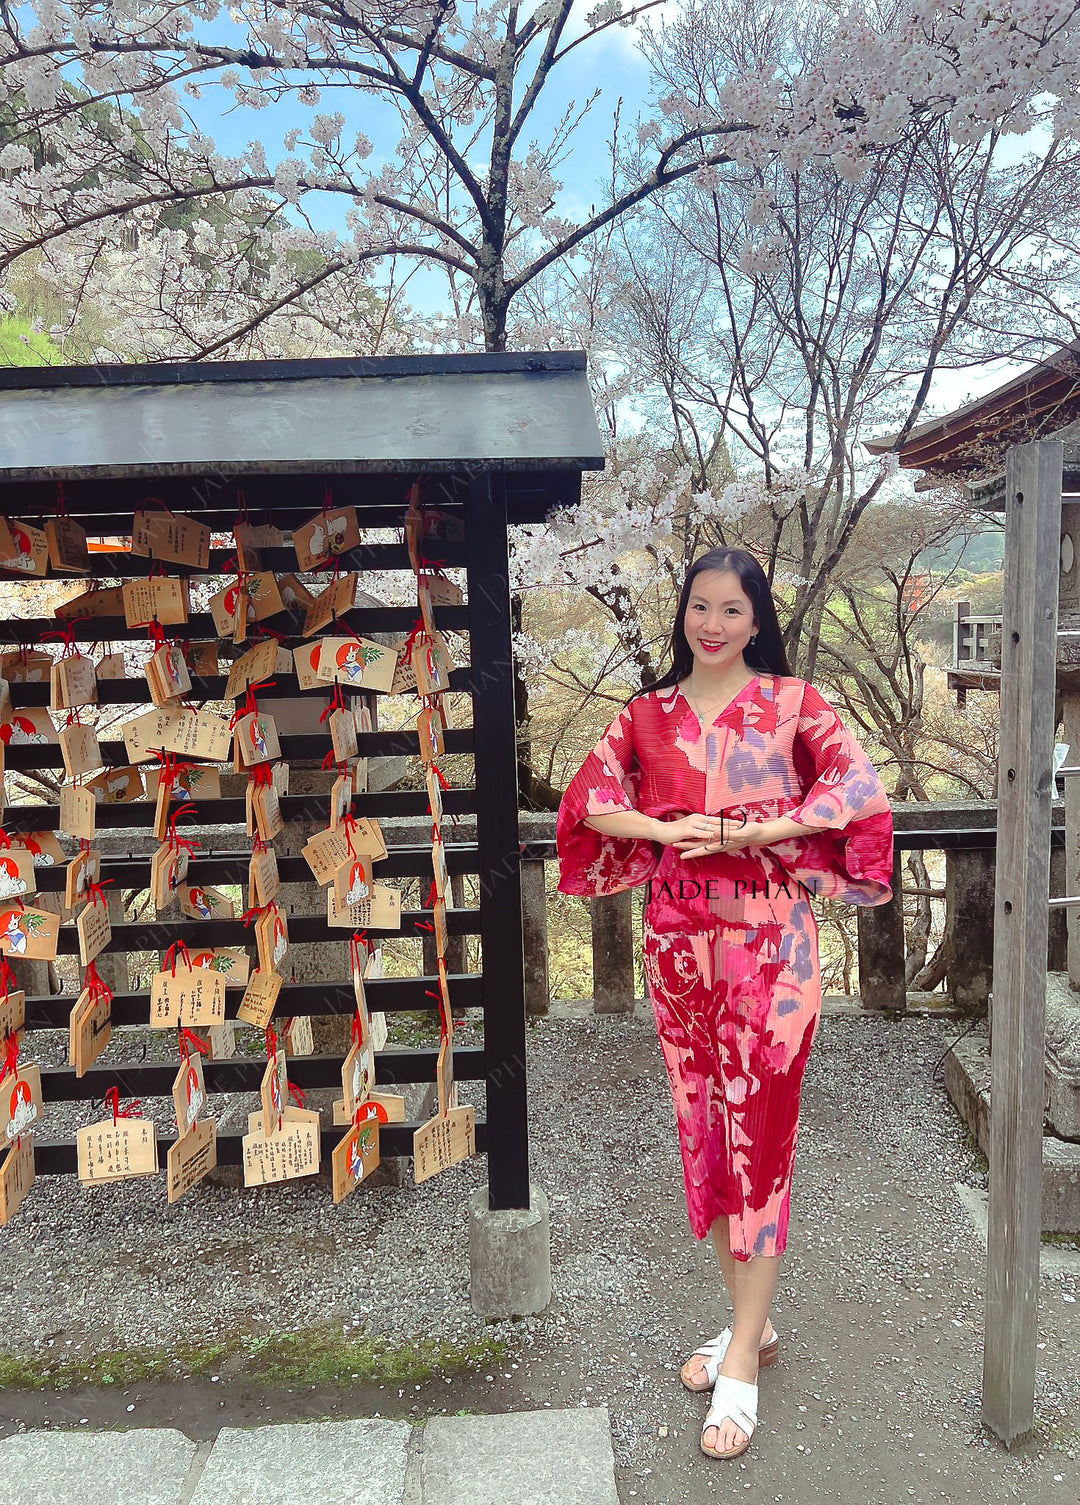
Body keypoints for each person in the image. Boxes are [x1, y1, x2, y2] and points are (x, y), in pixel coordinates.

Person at [556, 547, 894, 1463]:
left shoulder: (795, 703)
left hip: (773, 947)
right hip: (677, 945)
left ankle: (743, 1350)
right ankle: (752, 1322)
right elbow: (588, 801)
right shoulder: (646, 714)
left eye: (731, 610)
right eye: (699, 607)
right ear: (684, 616)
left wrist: (763, 826)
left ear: (756, 619)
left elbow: (857, 788)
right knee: (704, 1128)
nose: (712, 624)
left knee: (763, 1133)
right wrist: (665, 828)